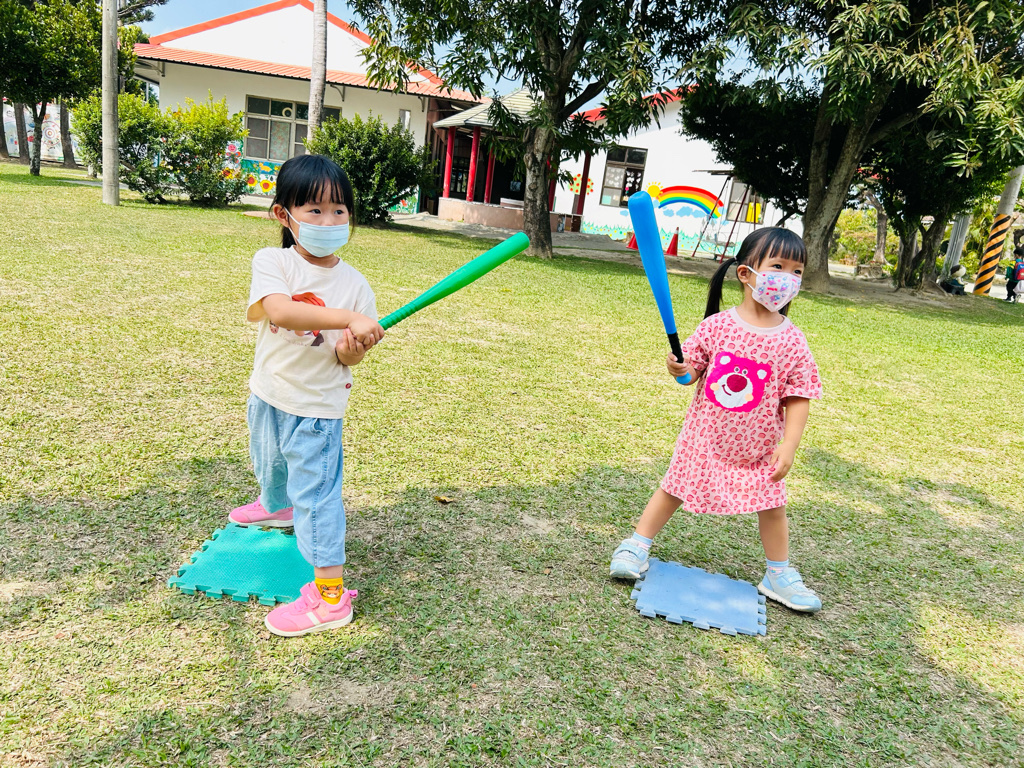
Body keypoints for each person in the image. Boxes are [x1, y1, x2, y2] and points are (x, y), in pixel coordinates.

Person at [609, 228, 824, 612]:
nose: (788, 279)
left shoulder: (793, 340)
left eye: (797, 272)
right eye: (778, 267)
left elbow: (799, 396)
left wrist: (789, 445)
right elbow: (691, 372)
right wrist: (680, 368)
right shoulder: (717, 326)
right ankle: (636, 545)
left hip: (759, 448)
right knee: (673, 487)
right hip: (705, 439)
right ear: (745, 273)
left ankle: (778, 574)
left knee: (773, 505)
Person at [230, 154, 384, 637]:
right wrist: (349, 320)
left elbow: (346, 355)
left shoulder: (355, 285)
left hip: (316, 410)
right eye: (314, 210)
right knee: (269, 463)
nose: (329, 221)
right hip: (268, 392)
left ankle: (331, 597)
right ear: (284, 214)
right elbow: (281, 310)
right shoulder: (273, 262)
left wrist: (353, 346)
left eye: (339, 210)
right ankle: (276, 507)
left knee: (316, 499)